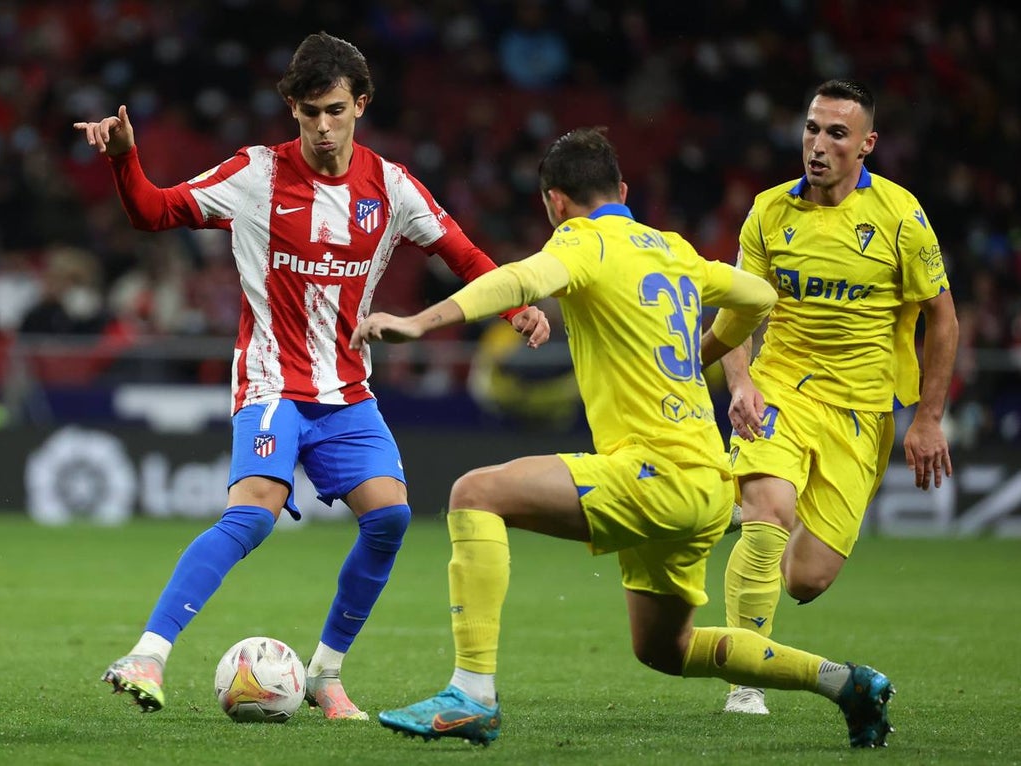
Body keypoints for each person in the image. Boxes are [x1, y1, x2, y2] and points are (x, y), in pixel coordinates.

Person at [350, 127, 895, 748]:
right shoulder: (671, 249)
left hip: (655, 474)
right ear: (624, 190)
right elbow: (760, 294)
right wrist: (704, 353)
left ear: (554, 202)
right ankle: (844, 682)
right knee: (667, 648)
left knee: (475, 492)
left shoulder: (582, 241)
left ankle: (471, 694)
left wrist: (421, 322)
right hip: (709, 486)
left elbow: (518, 282)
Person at [72, 31, 551, 720]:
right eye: (308, 114)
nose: (323, 128)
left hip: (346, 391)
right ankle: (148, 653)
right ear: (292, 111)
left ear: (361, 103)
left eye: (334, 110)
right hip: (270, 381)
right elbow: (153, 210)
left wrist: (516, 305)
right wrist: (125, 161)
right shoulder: (255, 175)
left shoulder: (391, 187)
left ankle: (326, 675)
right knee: (254, 513)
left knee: (388, 518)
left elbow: (465, 254)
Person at [710, 79, 958, 716]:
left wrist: (927, 418)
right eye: (812, 129)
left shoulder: (901, 216)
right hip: (781, 392)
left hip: (861, 412)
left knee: (806, 580)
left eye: (837, 134)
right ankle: (746, 681)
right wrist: (740, 381)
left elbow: (944, 317)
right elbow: (736, 306)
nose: (818, 145)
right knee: (765, 516)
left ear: (866, 144)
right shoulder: (768, 210)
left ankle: (754, 540)